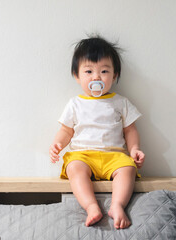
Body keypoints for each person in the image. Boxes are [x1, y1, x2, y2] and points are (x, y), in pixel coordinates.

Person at [49, 36, 145, 229]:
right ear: (77, 76)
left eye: (104, 71)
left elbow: (130, 129)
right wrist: (58, 144)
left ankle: (117, 206)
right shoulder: (75, 104)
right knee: (74, 168)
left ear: (115, 75)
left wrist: (134, 149)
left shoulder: (120, 102)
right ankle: (91, 206)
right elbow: (66, 130)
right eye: (89, 71)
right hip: (82, 155)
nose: (96, 77)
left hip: (114, 156)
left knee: (128, 169)